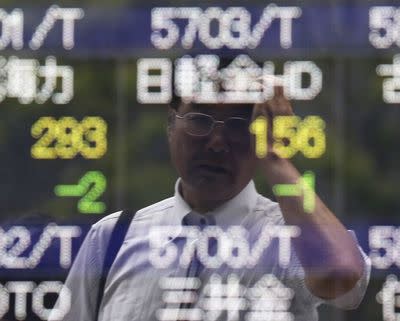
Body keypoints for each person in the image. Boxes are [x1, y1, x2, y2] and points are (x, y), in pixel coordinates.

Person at [49, 84, 370, 321]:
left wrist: (274, 157)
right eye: (200, 120)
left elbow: (341, 277)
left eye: (238, 125)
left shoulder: (292, 236)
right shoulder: (112, 237)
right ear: (171, 125)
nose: (217, 142)